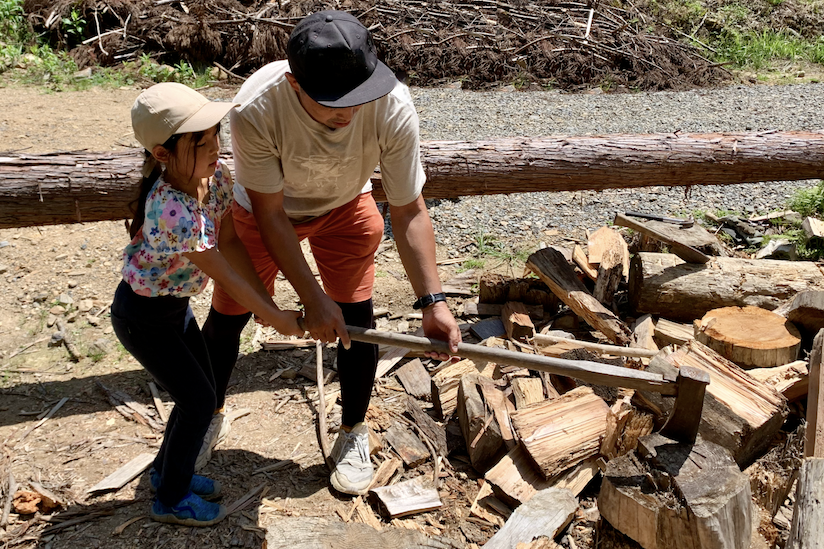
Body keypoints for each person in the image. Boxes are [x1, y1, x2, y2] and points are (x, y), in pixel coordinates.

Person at [200, 10, 462, 496]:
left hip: (346, 204)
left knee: (354, 319)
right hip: (265, 212)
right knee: (230, 313)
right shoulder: (257, 107)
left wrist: (433, 301)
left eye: (359, 96)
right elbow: (270, 213)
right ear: (296, 84)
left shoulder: (392, 104)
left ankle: (352, 432)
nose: (351, 111)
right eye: (334, 102)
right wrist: (309, 297)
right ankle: (206, 412)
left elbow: (408, 209)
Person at [111, 82, 304, 526]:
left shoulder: (213, 179)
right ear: (162, 154)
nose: (215, 147)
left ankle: (167, 474)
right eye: (200, 142)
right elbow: (221, 271)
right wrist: (273, 317)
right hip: (143, 319)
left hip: (174, 309)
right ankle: (171, 500)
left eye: (216, 134)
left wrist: (267, 303)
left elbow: (233, 243)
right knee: (198, 401)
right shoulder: (171, 208)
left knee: (198, 392)